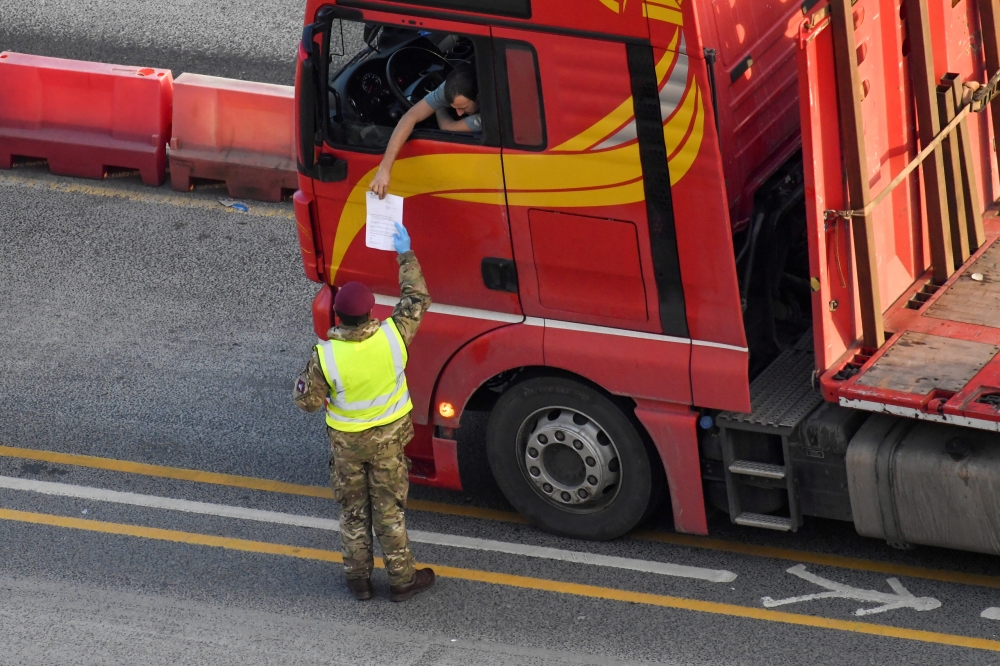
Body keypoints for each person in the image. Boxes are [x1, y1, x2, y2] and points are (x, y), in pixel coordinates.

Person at [293, 221, 434, 602]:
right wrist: (404, 252)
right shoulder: (393, 335)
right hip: (389, 443)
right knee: (389, 511)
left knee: (354, 511)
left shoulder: (326, 355)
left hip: (348, 447)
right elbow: (417, 297)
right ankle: (403, 580)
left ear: (338, 316)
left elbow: (305, 402)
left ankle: (359, 580)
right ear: (371, 310)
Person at [369, 63, 480, 199]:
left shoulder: (485, 115)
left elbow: (449, 127)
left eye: (463, 108)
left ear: (479, 97)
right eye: (455, 108)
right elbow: (410, 117)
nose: (458, 113)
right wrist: (384, 169)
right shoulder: (452, 89)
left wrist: (438, 108)